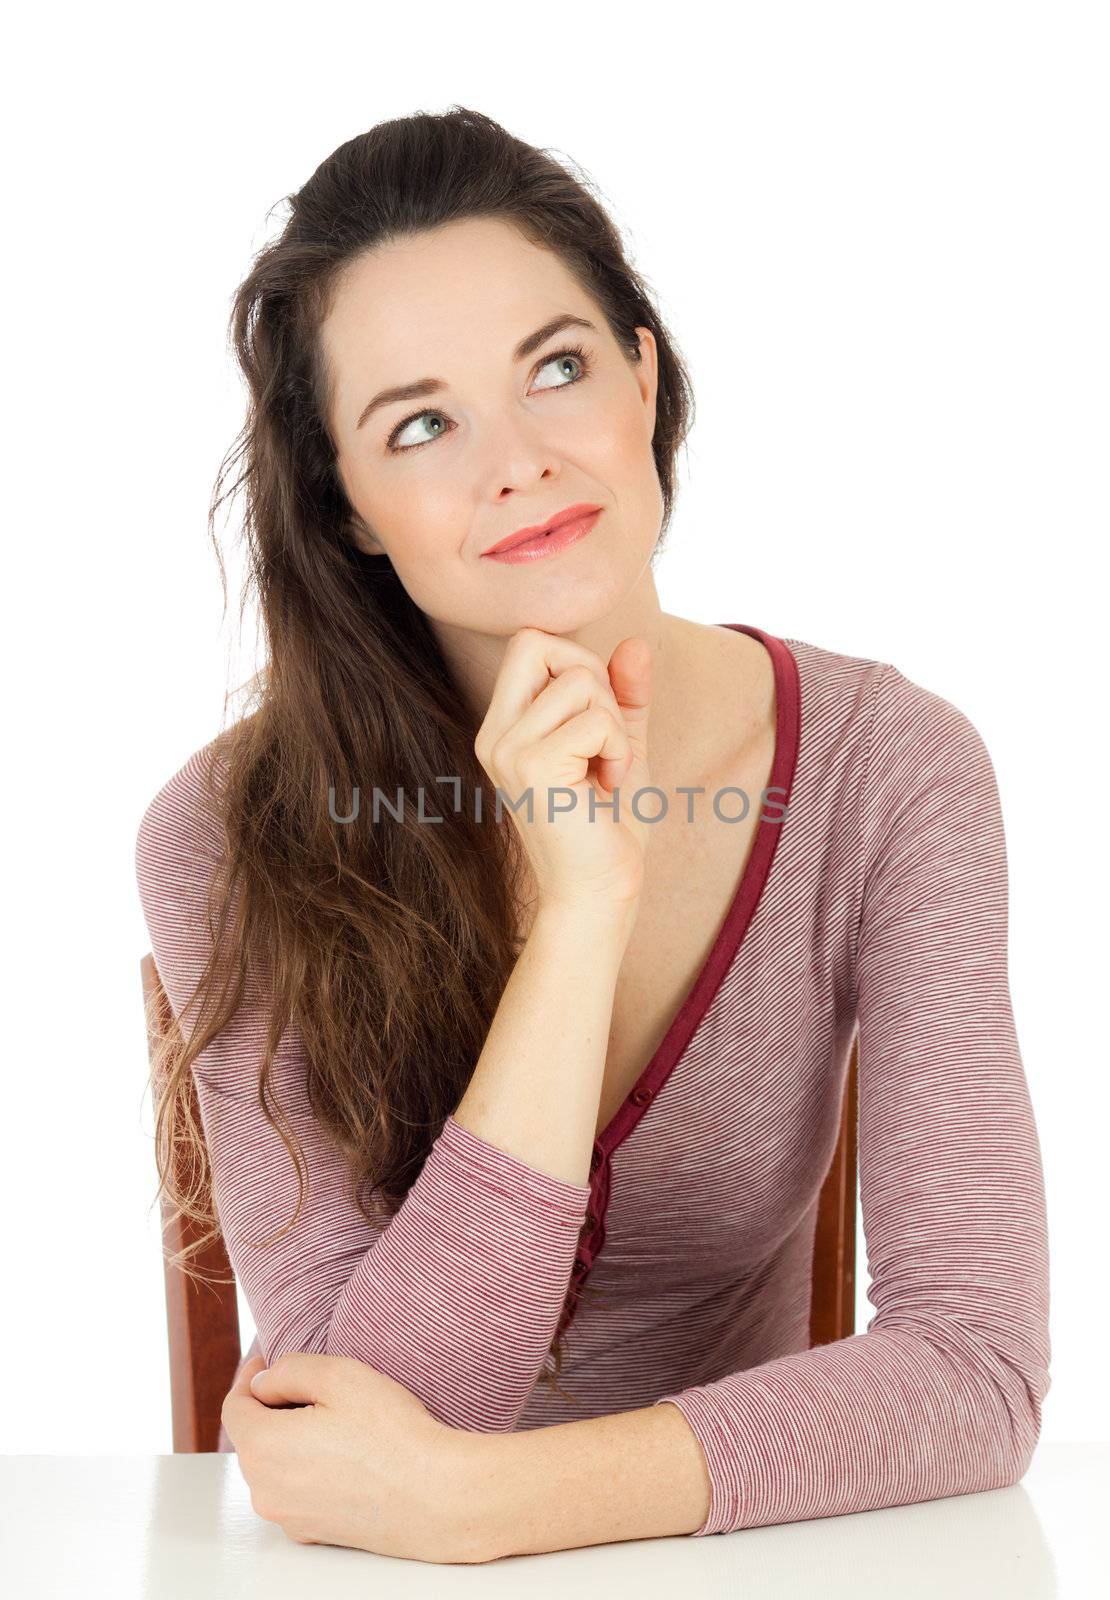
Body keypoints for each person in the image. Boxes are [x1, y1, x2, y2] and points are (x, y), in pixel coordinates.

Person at [136, 105, 1051, 1564]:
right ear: (348, 504)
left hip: (764, 1571)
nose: (517, 463)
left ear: (641, 374)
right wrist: (576, 921)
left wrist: (490, 1506)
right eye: (419, 423)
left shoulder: (892, 770)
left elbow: (975, 1376)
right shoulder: (228, 833)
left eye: (555, 368)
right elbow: (351, 1410)